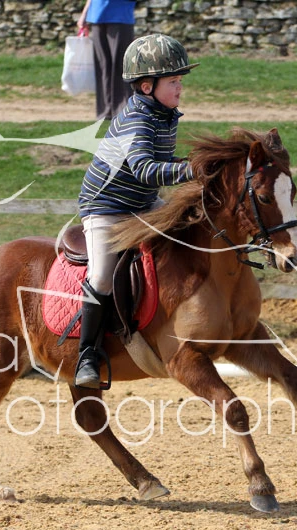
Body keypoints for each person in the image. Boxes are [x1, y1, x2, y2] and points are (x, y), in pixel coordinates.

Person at [75, 33, 199, 389]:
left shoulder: (164, 114)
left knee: (189, 231)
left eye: (179, 80)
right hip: (106, 207)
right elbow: (145, 169)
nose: (180, 87)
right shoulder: (137, 119)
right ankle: (87, 355)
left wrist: (195, 165)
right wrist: (192, 170)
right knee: (101, 276)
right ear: (147, 86)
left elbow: (159, 165)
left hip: (143, 203)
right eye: (172, 81)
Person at [77, 0, 136, 120]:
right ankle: (105, 111)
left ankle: (122, 108)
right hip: (97, 16)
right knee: (102, 66)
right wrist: (84, 14)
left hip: (121, 16)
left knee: (121, 65)